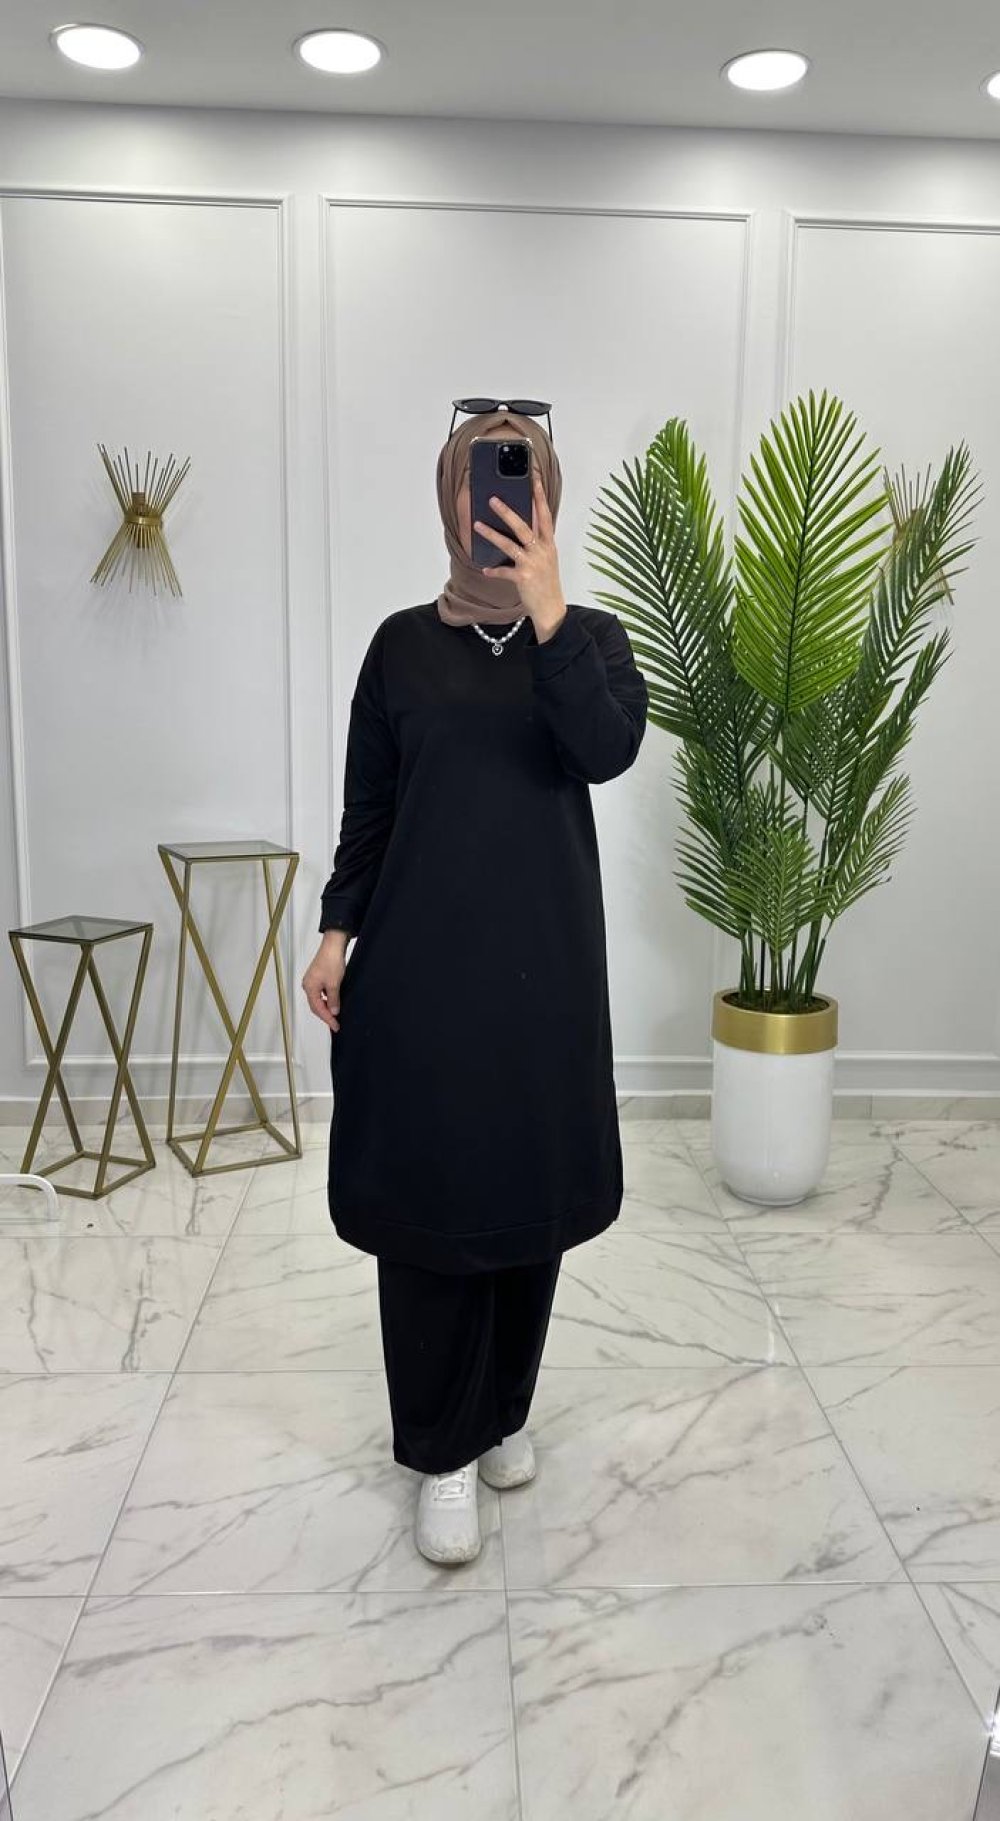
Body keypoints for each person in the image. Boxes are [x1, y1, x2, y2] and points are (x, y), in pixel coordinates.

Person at [301, 404, 648, 1566]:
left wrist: (548, 610)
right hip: (420, 973)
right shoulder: (401, 647)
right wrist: (336, 934)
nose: (494, 501)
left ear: (549, 497)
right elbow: (370, 808)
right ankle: (439, 1451)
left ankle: (500, 1412)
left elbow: (602, 750)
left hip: (543, 973)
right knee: (432, 1206)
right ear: (449, 498)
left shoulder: (591, 639)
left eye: (519, 478)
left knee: (523, 1199)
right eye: (478, 480)